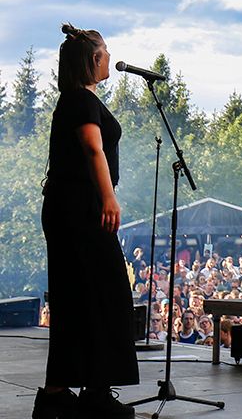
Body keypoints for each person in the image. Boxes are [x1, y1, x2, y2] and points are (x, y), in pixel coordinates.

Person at [34, 24, 139, 419]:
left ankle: (61, 393)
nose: (110, 57)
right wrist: (108, 198)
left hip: (72, 206)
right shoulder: (80, 100)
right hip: (79, 207)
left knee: (81, 296)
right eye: (106, 52)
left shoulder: (78, 99)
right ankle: (90, 392)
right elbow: (94, 150)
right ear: (94, 59)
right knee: (106, 294)